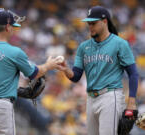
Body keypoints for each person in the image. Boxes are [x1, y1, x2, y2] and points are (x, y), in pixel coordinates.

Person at [0, 8, 60, 135]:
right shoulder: (14, 52)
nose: (14, 29)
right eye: (13, 26)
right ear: (7, 27)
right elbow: (35, 73)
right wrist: (49, 65)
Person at [57, 6, 139, 135]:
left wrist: (132, 102)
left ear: (105, 21)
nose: (90, 27)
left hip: (110, 97)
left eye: (94, 23)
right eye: (89, 24)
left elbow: (133, 73)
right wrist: (66, 69)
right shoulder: (84, 47)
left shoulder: (119, 44)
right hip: (91, 99)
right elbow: (76, 76)